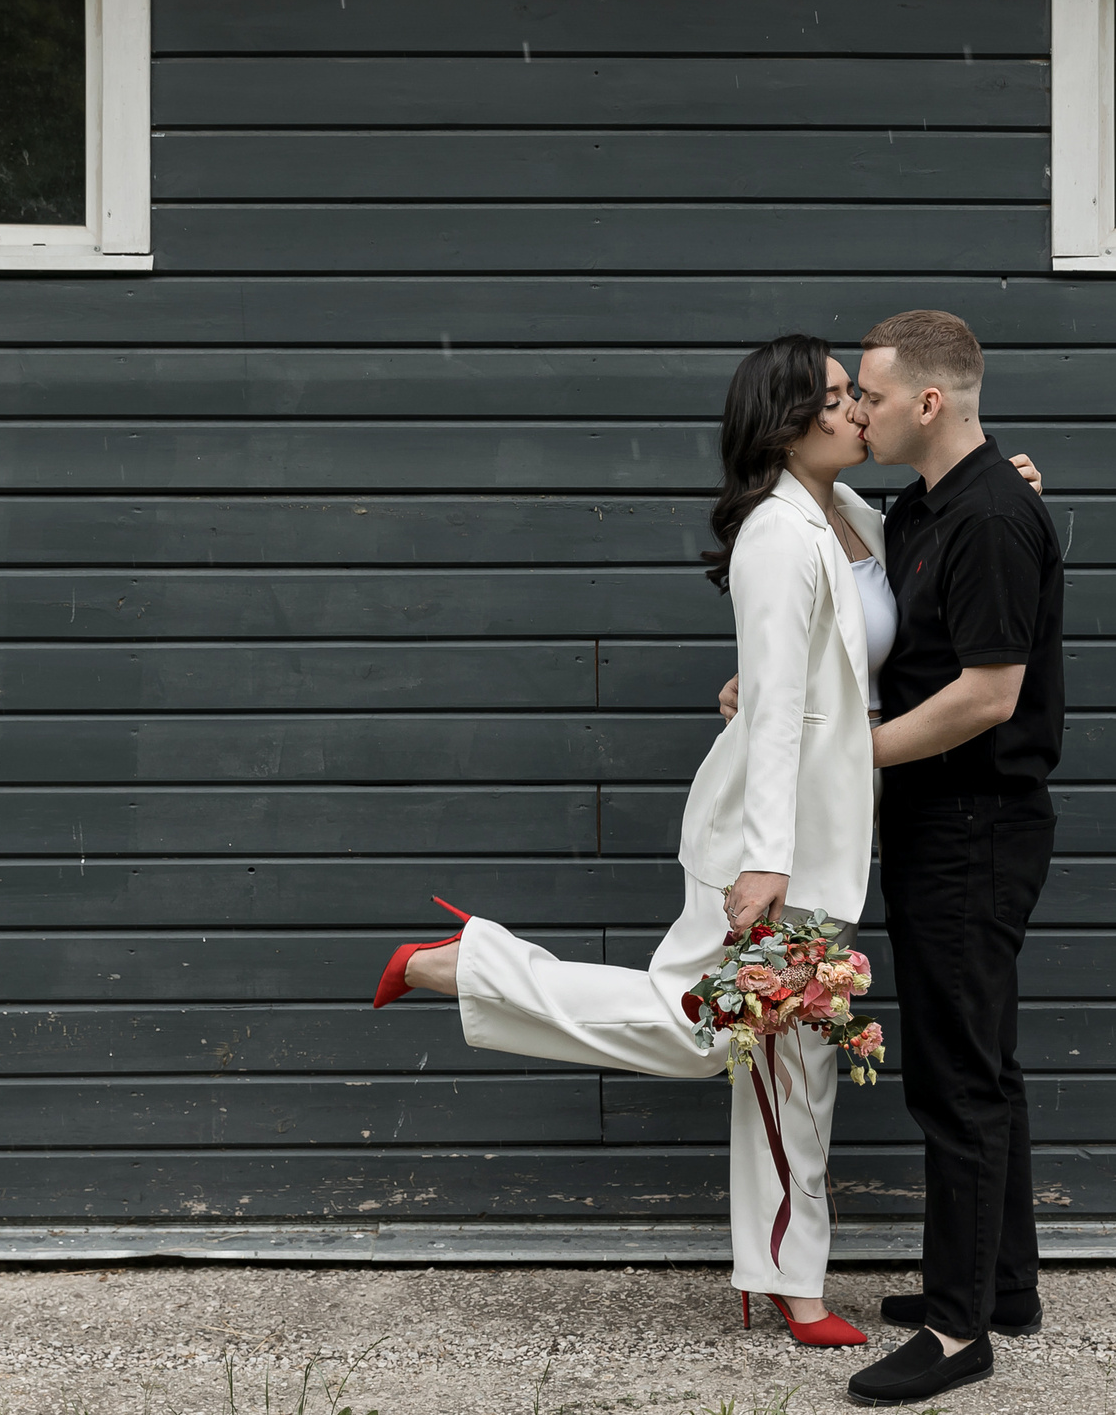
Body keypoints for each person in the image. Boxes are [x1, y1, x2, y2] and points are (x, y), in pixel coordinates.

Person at [369, 333, 1044, 1350]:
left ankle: (793, 1282)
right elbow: (774, 711)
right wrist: (767, 857)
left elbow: (912, 575)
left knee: (796, 1059)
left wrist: (1006, 479)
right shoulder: (776, 535)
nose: (858, 410)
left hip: (824, 834)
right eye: (833, 398)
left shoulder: (857, 513)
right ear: (787, 425)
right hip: (763, 836)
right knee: (706, 1029)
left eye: (860, 394)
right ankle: (472, 968)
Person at [842, 309, 1065, 1409]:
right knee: (983, 1064)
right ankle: (1003, 1286)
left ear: (928, 402)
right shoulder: (931, 505)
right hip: (943, 823)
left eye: (870, 397)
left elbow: (987, 695)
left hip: (973, 827)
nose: (855, 412)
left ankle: (955, 1329)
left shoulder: (986, 520)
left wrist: (839, 755)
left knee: (955, 1081)